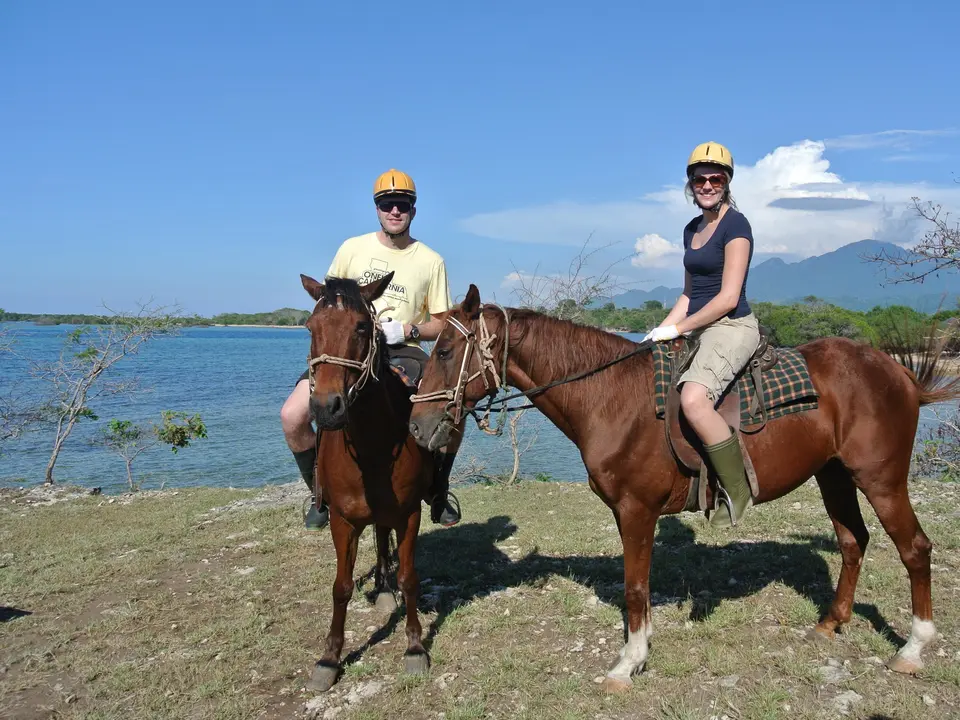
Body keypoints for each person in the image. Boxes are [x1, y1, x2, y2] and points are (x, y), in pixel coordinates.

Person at [280, 169, 463, 530]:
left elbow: (442, 322)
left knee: (452, 414)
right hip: (348, 351)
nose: (395, 211)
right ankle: (320, 492)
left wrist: (408, 328)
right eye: (387, 204)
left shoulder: (431, 260)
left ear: (413, 209)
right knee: (292, 416)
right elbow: (328, 302)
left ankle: (439, 491)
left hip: (404, 352)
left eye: (402, 204)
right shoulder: (352, 248)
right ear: (377, 208)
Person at [642, 142, 760, 527]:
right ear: (690, 184)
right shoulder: (691, 229)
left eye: (715, 178)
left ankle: (738, 491)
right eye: (700, 179)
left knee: (693, 399)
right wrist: (659, 331)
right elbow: (690, 294)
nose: (707, 184)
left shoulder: (736, 225)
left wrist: (680, 328)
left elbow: (727, 298)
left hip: (732, 326)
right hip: (700, 325)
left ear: (726, 182)